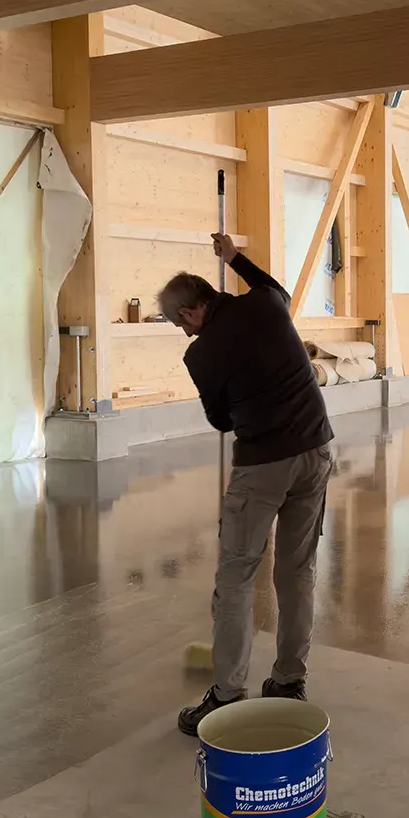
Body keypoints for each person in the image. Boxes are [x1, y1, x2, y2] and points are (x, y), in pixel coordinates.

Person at [158, 235, 333, 734]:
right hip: (315, 450)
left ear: (192, 312)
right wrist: (234, 258)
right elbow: (268, 282)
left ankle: (227, 694)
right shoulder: (269, 303)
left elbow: (220, 421)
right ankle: (288, 682)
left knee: (235, 577)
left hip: (262, 465)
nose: (183, 335)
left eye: (179, 325)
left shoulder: (202, 356)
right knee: (297, 572)